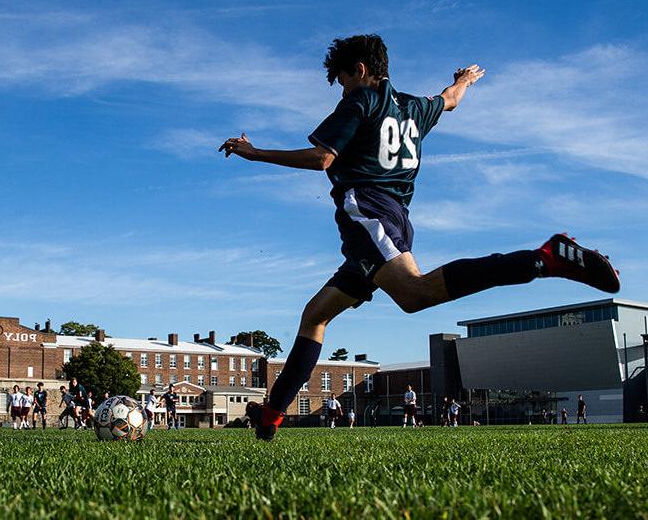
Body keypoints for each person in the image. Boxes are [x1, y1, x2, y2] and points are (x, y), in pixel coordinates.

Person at [221, 35, 620, 441]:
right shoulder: (414, 107)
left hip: (368, 214)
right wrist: (465, 80)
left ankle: (543, 259)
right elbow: (450, 99)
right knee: (316, 315)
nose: (342, 90)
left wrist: (255, 153)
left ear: (359, 71)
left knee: (414, 294)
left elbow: (322, 158)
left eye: (342, 80)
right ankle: (271, 415)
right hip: (392, 219)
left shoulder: (361, 100)